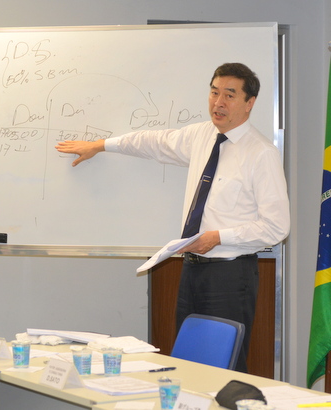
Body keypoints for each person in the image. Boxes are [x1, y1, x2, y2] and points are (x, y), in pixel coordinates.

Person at [55, 62, 290, 372]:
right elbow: (152, 142)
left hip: (230, 276)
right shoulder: (202, 136)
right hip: (191, 270)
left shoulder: (261, 153)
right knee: (190, 363)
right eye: (214, 92)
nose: (218, 102)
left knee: (225, 365)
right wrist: (100, 145)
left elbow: (276, 226)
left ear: (250, 103)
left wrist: (218, 237)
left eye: (229, 95)